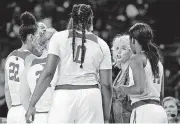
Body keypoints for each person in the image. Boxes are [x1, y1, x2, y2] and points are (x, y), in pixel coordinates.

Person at [25, 4, 112, 123]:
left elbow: (48, 73)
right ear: (90, 20)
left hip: (64, 95)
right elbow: (106, 85)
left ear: (72, 18)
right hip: (91, 96)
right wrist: (106, 117)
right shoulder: (102, 44)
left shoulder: (58, 37)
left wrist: (32, 104)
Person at [114, 22, 168, 123]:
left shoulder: (136, 58)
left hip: (144, 112)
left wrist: (120, 88)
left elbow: (139, 89)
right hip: (160, 112)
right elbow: (161, 94)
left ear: (133, 40)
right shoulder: (157, 61)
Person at [4, 11, 44, 124]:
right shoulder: (31, 58)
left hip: (12, 111)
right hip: (26, 110)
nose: (38, 40)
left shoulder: (9, 56)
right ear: (31, 36)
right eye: (37, 36)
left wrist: (12, 110)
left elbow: (7, 89)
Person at [20, 28, 57, 124]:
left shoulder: (29, 66)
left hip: (38, 117)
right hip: (57, 116)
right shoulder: (61, 64)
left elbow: (24, 97)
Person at [110, 34, 133, 123]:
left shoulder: (132, 71)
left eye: (123, 48)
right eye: (116, 48)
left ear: (131, 51)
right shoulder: (119, 73)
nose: (118, 52)